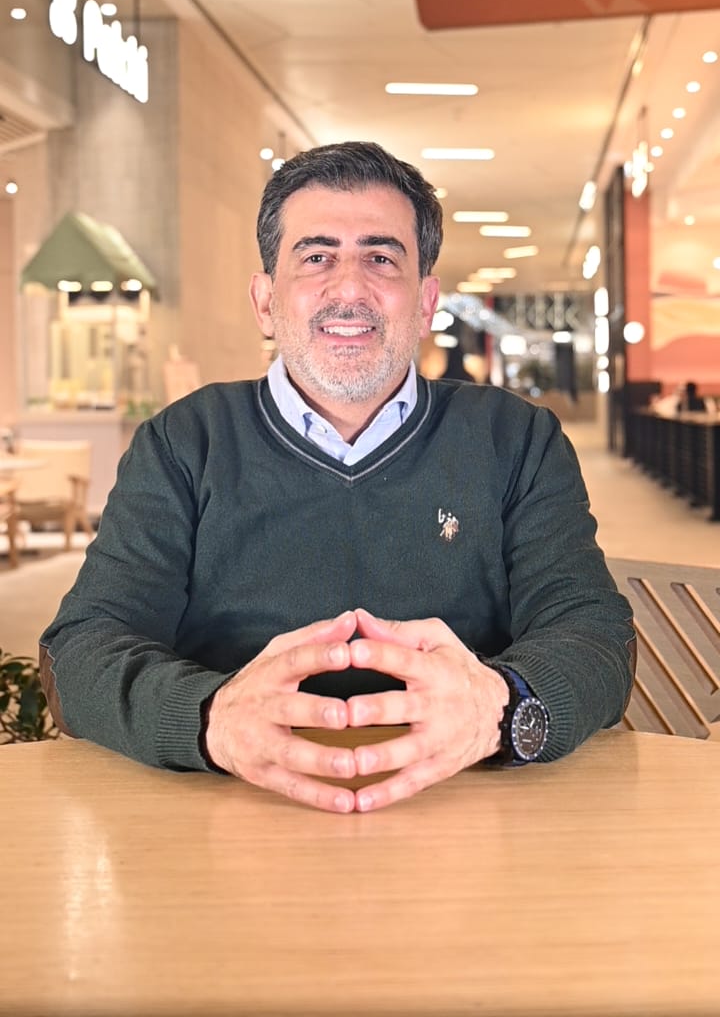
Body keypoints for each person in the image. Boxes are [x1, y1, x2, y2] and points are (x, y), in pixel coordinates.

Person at [40, 142, 635, 814]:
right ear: (266, 301)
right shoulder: (184, 443)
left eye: (381, 258)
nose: (349, 289)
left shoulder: (516, 440)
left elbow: (595, 633)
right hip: (231, 816)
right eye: (316, 257)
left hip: (466, 814)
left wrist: (501, 709)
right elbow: (80, 649)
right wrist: (208, 719)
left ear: (426, 301)